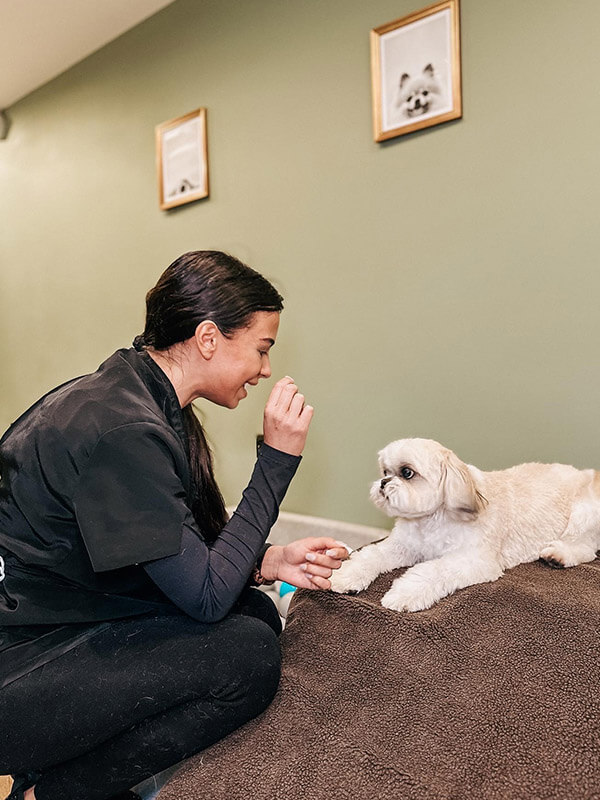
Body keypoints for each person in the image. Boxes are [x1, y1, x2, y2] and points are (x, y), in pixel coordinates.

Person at [0, 251, 348, 800]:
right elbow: (204, 598)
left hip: (60, 624)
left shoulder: (137, 397)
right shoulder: (122, 428)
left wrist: (266, 561)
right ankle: (57, 792)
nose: (264, 371)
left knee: (255, 611)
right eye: (261, 350)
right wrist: (276, 462)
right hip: (18, 665)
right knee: (244, 657)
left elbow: (168, 552)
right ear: (209, 338)